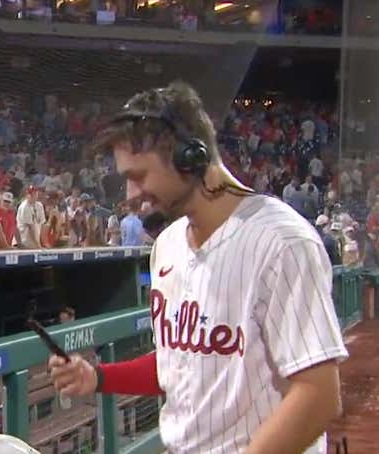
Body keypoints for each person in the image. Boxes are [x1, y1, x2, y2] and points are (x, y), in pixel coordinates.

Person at [49, 82, 347, 454]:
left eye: (138, 175)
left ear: (190, 157)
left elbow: (318, 395)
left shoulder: (281, 242)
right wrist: (98, 377)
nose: (130, 195)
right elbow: (181, 364)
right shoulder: (167, 245)